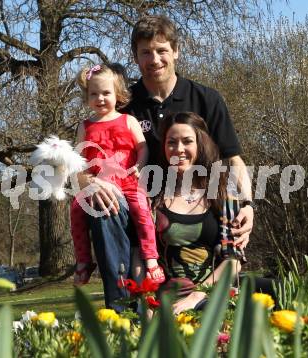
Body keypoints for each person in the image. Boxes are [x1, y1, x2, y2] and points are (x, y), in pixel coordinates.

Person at [78, 15, 254, 311]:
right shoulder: (122, 104)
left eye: (161, 50)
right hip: (134, 205)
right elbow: (81, 162)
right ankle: (122, 314)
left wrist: (247, 204)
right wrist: (90, 182)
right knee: (101, 203)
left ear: (176, 51)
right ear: (135, 57)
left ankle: (205, 294)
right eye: (145, 52)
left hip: (197, 207)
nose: (154, 59)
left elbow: (233, 159)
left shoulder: (206, 99)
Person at [70, 64, 165, 292]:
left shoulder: (128, 121)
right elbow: (78, 160)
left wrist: (139, 166)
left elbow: (143, 148)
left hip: (128, 181)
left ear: (118, 94)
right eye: (94, 94)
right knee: (75, 209)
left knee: (142, 210)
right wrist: (87, 180)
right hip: (99, 184)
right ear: (87, 97)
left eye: (106, 93)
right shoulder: (85, 127)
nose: (100, 98)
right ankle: (84, 260)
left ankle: (151, 257)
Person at [152, 111, 244, 314]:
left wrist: (197, 295)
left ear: (200, 144)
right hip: (171, 299)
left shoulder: (222, 191)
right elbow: (144, 256)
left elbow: (233, 261)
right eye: (171, 142)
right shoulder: (154, 198)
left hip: (215, 294)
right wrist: (147, 303)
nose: (179, 149)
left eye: (187, 141)